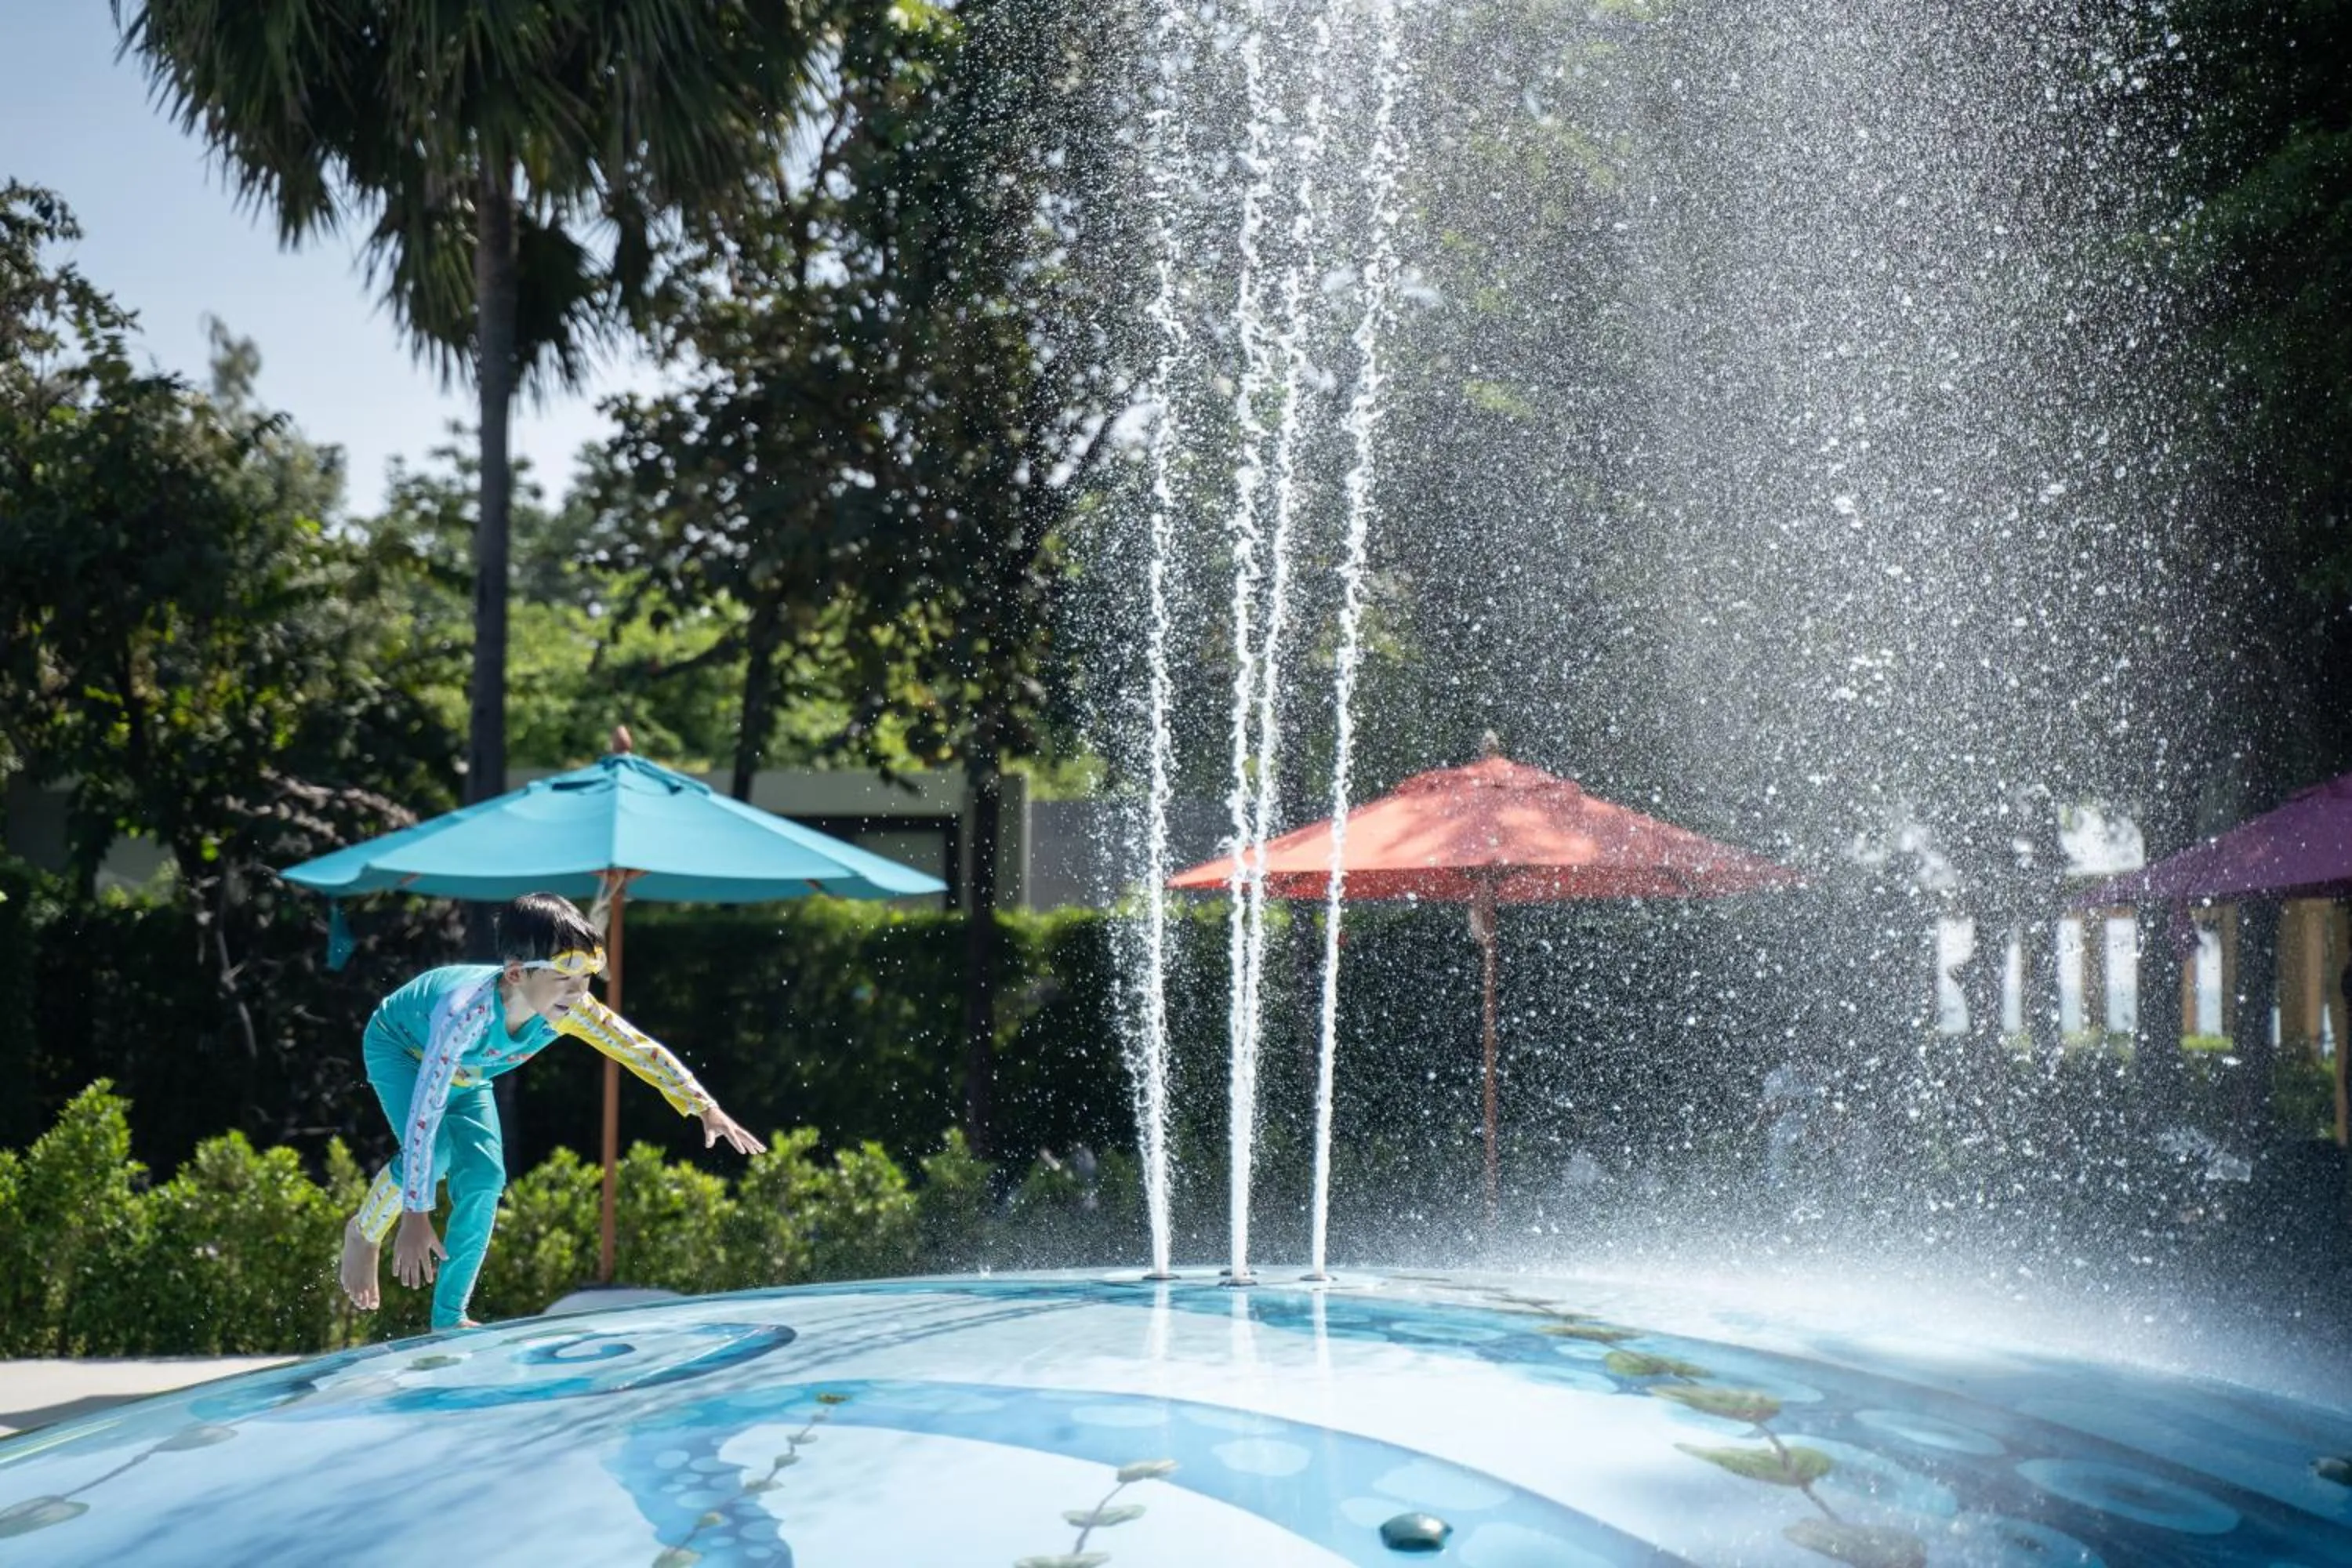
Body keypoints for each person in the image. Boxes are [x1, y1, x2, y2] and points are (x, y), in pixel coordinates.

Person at [336, 891, 765, 1330]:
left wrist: (703, 1106)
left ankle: (449, 1319)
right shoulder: (465, 1013)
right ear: (519, 973)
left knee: (486, 1177)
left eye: (588, 976)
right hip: (402, 1048)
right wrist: (413, 1214)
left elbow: (636, 1049)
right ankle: (364, 1232)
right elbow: (426, 1111)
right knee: (438, 1153)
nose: (579, 991)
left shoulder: (571, 1011)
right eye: (565, 976)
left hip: (468, 1074)